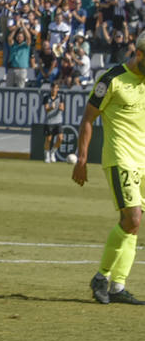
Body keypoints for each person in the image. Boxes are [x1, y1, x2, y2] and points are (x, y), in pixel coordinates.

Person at [73, 32, 145, 305]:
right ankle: (101, 277)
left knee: (132, 226)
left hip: (143, 160)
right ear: (139, 54)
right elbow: (88, 118)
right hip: (121, 158)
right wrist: (82, 159)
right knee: (134, 218)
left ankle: (117, 286)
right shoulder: (112, 78)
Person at [41, 81, 65, 163]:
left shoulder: (60, 97)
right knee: (48, 139)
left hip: (58, 121)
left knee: (60, 138)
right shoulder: (46, 97)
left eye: (56, 88)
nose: (54, 89)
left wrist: (61, 108)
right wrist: (52, 107)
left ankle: (53, 152)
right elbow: (46, 109)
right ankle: (47, 154)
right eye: (53, 88)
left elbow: (62, 107)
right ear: (51, 88)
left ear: (58, 89)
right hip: (49, 121)